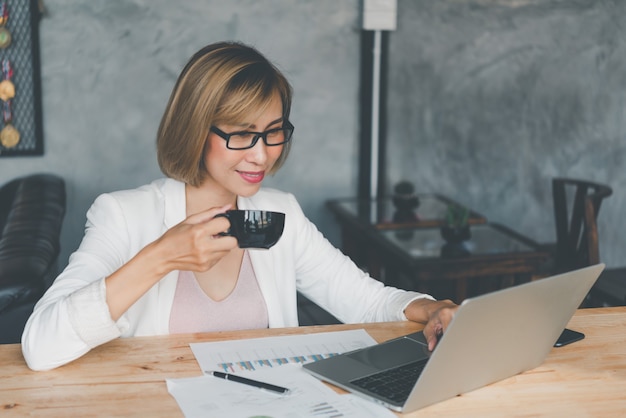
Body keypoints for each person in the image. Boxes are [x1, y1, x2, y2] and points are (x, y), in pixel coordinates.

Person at [21, 41, 457, 371]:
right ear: (195, 128)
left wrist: (432, 308)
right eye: (241, 134)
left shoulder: (279, 212)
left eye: (272, 132)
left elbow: (365, 300)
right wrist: (160, 257)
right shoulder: (124, 215)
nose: (262, 155)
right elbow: (40, 346)